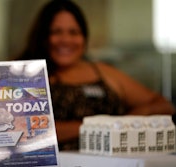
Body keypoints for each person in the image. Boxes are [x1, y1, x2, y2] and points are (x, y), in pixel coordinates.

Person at [16, 0, 175, 150]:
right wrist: (99, 126)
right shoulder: (23, 74)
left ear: (84, 38)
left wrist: (127, 121)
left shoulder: (103, 72)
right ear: (42, 37)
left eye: (74, 32)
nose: (66, 40)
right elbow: (18, 131)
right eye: (56, 32)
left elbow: (164, 106)